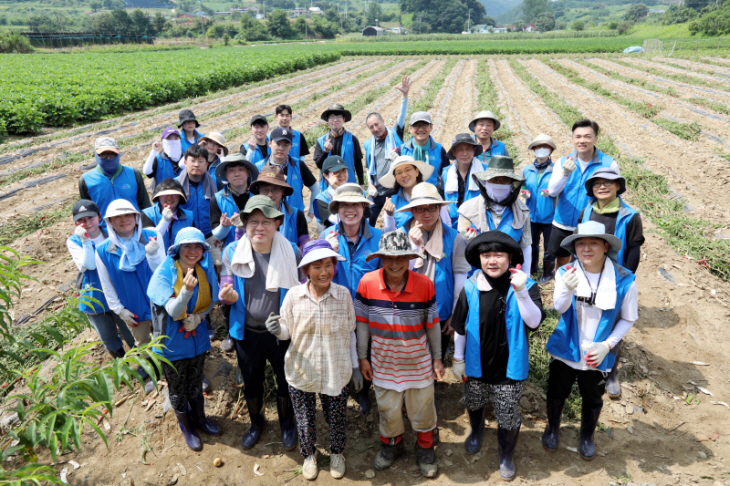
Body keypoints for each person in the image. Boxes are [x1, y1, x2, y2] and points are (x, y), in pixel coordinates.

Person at [451, 231, 544, 481]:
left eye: (499, 255)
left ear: (510, 257)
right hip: (476, 364)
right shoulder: (470, 286)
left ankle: (506, 453)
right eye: (486, 255)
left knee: (507, 412)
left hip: (509, 368)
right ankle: (476, 429)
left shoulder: (527, 286)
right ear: (479, 259)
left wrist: (522, 291)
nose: (492, 261)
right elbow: (460, 327)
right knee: (474, 401)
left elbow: (534, 322)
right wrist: (458, 359)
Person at [542, 221, 638, 461]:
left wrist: (607, 345)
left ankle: (587, 436)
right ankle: (552, 428)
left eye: (593, 243)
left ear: (605, 246)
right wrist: (565, 289)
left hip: (598, 353)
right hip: (567, 347)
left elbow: (628, 318)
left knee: (593, 396)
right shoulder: (566, 272)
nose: (586, 248)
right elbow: (559, 307)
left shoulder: (624, 280)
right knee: (556, 390)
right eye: (581, 243)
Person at [267, 240, 359, 480]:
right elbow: (286, 330)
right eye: (316, 267)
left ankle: (337, 453)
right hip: (301, 370)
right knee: (305, 418)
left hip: (335, 369)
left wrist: (355, 366)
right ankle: (309, 455)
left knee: (336, 417)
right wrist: (277, 329)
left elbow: (350, 333)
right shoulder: (294, 296)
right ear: (306, 270)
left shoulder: (343, 296)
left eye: (328, 265)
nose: (324, 272)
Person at [355, 232, 444, 478]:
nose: (395, 264)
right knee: (388, 409)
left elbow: (433, 324)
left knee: (424, 408)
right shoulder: (367, 283)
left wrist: (437, 358)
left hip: (418, 362)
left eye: (401, 257)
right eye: (388, 258)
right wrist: (363, 357)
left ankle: (425, 448)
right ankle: (391, 445)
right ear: (381, 257)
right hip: (382, 362)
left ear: (410, 258)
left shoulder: (425, 284)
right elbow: (362, 323)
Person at [219, 196, 301, 451]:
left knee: (285, 379)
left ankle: (288, 423)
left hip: (280, 331)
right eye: (253, 221)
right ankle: (257, 422)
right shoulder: (232, 252)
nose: (260, 227)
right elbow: (226, 282)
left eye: (266, 221)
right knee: (252, 380)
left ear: (277, 223)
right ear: (244, 224)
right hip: (247, 332)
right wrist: (227, 295)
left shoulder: (291, 251)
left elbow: (299, 291)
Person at [148, 228, 236, 451]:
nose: (193, 251)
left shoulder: (202, 270)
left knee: (195, 382)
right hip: (172, 344)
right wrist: (185, 292)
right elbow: (173, 309)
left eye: (197, 246)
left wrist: (199, 317)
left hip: (196, 340)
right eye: (187, 246)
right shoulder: (163, 273)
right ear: (177, 249)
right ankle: (187, 427)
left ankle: (200, 420)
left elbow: (210, 302)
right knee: (178, 388)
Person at [578, 167, 644, 400]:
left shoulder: (629, 215)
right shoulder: (587, 211)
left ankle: (611, 371)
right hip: (588, 275)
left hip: (614, 277)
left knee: (613, 322)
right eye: (597, 184)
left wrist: (625, 278)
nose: (602, 187)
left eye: (608, 183)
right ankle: (583, 364)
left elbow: (634, 249)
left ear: (618, 187)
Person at [94, 199, 166, 393]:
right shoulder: (103, 250)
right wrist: (119, 310)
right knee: (143, 342)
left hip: (159, 300)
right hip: (131, 306)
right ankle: (152, 373)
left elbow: (165, 270)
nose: (123, 220)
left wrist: (153, 255)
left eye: (127, 215)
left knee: (166, 335)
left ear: (136, 217)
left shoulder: (152, 236)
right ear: (109, 222)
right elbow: (106, 283)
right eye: (117, 217)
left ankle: (170, 368)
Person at [395, 182, 471, 364]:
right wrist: (414, 246)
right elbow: (397, 273)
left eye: (432, 208)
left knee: (435, 358)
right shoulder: (401, 235)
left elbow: (460, 278)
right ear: (412, 211)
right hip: (407, 310)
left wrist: (454, 313)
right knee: (409, 358)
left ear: (440, 208)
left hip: (441, 310)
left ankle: (430, 390)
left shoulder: (454, 237)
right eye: (420, 209)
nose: (427, 214)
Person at [546, 120, 620, 272]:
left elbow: (614, 196)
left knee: (590, 262)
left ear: (595, 139)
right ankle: (564, 289)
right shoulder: (563, 162)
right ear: (573, 139)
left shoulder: (609, 164)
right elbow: (552, 191)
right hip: (562, 222)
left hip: (591, 225)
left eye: (587, 136)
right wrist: (564, 173)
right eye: (578, 137)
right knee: (563, 261)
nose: (582, 140)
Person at [66, 199, 135, 359]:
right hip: (95, 297)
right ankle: (122, 364)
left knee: (131, 332)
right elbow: (89, 265)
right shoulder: (74, 241)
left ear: (99, 216)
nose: (87, 223)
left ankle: (144, 365)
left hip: (119, 293)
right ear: (76, 223)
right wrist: (86, 241)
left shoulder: (112, 232)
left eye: (90, 218)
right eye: (81, 220)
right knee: (108, 337)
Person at [457, 156, 533, 276]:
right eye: (495, 179)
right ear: (486, 182)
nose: (499, 184)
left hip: (509, 275)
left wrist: (526, 275)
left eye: (504, 180)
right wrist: (469, 241)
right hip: (476, 274)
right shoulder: (468, 210)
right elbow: (460, 247)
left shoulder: (522, 212)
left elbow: (526, 246)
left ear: (512, 184)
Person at [363, 75, 411, 224]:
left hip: (396, 191)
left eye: (377, 124)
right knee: (366, 222)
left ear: (383, 121)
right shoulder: (368, 144)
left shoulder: (395, 134)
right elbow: (368, 167)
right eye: (371, 127)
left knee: (398, 224)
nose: (375, 129)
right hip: (377, 192)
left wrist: (404, 96)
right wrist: (370, 185)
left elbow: (402, 116)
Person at [79, 137, 151, 230]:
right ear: (96, 155)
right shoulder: (86, 180)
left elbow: (145, 205)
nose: (108, 158)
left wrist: (147, 228)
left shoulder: (133, 174)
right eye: (104, 155)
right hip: (106, 234)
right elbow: (88, 213)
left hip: (135, 230)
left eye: (112, 154)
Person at [257, 127, 319, 217]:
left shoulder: (299, 165)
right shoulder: (259, 167)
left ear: (291, 146)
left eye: (285, 145)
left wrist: (311, 213)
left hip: (294, 218)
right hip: (267, 218)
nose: (281, 148)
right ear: (270, 143)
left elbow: (315, 189)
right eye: (278, 144)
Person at [379, 155, 450, 232]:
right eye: (399, 172)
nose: (404, 175)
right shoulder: (392, 202)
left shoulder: (432, 194)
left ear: (416, 172)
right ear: (395, 178)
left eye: (408, 170)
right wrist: (389, 215)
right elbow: (389, 234)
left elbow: (447, 224)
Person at [522, 133, 558, 284]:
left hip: (550, 215)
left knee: (549, 247)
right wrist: (524, 191)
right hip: (531, 215)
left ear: (550, 150)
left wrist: (552, 193)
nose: (541, 149)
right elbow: (522, 185)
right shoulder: (526, 169)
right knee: (532, 244)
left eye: (545, 147)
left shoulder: (556, 170)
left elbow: (561, 189)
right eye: (538, 147)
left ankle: (548, 272)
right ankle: (532, 268)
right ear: (534, 149)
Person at [250, 165, 310, 250]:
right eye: (265, 190)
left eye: (275, 189)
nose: (270, 194)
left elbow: (305, 246)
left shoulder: (297, 215)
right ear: (258, 190)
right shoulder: (250, 215)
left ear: (282, 190)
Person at [210, 153, 259, 251]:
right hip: (231, 252)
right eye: (231, 171)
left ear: (248, 172)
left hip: (258, 249)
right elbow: (217, 235)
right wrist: (224, 227)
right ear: (225, 174)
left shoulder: (259, 195)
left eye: (241, 169)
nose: (237, 174)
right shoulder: (217, 199)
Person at [394, 112, 450, 189]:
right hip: (409, 197)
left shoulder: (439, 150)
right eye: (416, 126)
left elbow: (446, 177)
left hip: (432, 196)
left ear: (431, 127)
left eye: (424, 125)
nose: (420, 129)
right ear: (410, 129)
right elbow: (396, 179)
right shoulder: (401, 151)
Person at [314, 104, 364, 187]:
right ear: (328, 120)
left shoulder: (352, 139)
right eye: (332, 117)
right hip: (329, 186)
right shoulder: (321, 141)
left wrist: (361, 184)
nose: (335, 120)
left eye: (339, 116)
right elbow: (319, 165)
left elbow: (358, 162)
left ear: (344, 119)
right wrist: (325, 152)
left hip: (349, 184)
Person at [443, 133, 485, 229]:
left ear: (474, 150)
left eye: (468, 149)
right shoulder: (446, 172)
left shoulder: (484, 171)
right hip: (452, 224)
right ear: (453, 152)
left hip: (477, 223)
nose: (465, 153)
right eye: (460, 150)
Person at [314, 156, 370, 230]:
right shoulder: (320, 200)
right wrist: (336, 189)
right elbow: (337, 221)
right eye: (336, 172)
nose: (341, 175)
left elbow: (367, 218)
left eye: (344, 170)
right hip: (333, 238)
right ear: (326, 176)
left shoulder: (359, 193)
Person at [142, 178, 194, 253]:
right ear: (158, 197)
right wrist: (165, 221)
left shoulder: (189, 216)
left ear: (180, 197)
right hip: (154, 261)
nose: (169, 198)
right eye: (164, 194)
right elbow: (149, 240)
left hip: (180, 261)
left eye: (174, 194)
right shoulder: (147, 214)